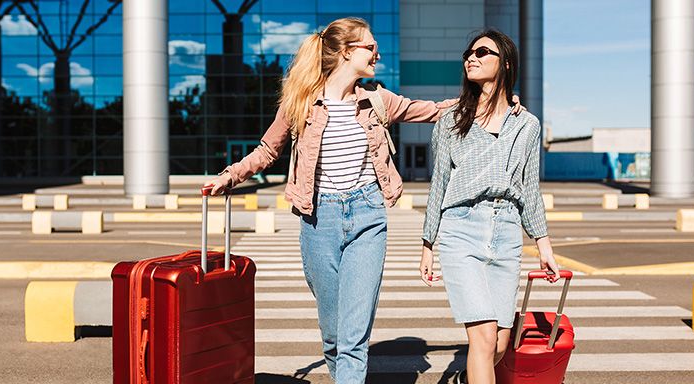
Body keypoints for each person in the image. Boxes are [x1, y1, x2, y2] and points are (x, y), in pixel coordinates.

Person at [206, 17, 523, 383]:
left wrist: (494, 100)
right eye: (370, 47)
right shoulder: (301, 103)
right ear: (345, 52)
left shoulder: (377, 100)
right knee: (334, 333)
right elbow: (267, 149)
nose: (377, 53)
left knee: (354, 336)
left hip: (368, 216)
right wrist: (231, 174)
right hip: (318, 220)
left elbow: (434, 110)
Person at [419, 29, 560, 384]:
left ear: (506, 64)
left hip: (507, 231)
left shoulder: (527, 124)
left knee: (498, 343)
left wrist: (543, 245)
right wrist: (427, 244)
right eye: (468, 52)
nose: (472, 57)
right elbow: (439, 183)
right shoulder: (451, 120)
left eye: (483, 52)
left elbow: (530, 187)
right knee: (481, 336)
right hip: (461, 227)